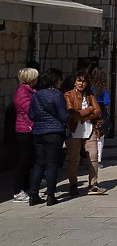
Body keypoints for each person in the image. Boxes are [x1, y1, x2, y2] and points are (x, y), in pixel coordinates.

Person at [27, 68, 70, 206]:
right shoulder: (57, 95)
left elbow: (31, 115)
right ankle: (51, 195)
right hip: (54, 133)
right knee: (52, 163)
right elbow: (64, 116)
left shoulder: (36, 95)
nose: (61, 82)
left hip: (38, 132)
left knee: (39, 163)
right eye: (60, 79)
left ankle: (33, 195)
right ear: (56, 80)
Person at [64, 71, 106, 196]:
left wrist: (84, 116)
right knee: (73, 159)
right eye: (78, 81)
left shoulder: (89, 95)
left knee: (93, 156)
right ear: (74, 82)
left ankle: (93, 184)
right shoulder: (68, 95)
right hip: (74, 130)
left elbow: (97, 111)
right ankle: (73, 185)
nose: (81, 83)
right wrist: (89, 110)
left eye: (83, 81)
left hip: (89, 129)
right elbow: (73, 114)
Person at [12, 67, 39, 203]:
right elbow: (30, 110)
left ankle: (25, 187)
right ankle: (18, 190)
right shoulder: (23, 93)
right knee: (23, 161)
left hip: (29, 129)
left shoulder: (29, 91)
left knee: (28, 161)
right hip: (25, 130)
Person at [91, 68, 111, 167]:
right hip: (101, 112)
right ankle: (98, 159)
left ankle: (89, 157)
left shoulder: (90, 88)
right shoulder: (104, 89)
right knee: (100, 137)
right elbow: (107, 102)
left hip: (91, 112)